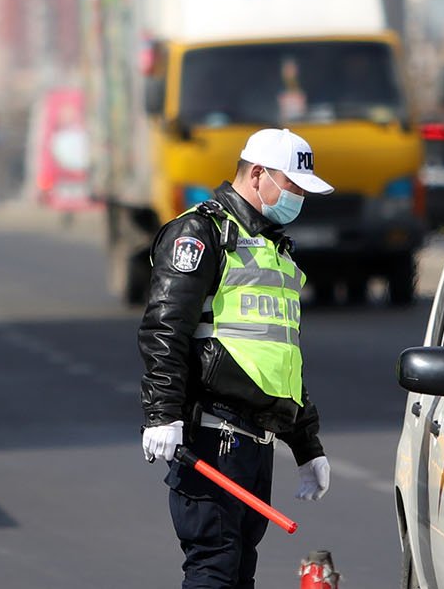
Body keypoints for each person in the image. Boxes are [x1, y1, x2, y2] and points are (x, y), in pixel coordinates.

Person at [139, 127, 334, 589]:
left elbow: (279, 361)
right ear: (259, 174)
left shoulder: (274, 250)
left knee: (238, 572)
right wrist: (161, 413)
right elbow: (165, 328)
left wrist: (306, 445)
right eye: (293, 186)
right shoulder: (201, 232)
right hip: (214, 438)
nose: (299, 198)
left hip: (255, 444)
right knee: (215, 568)